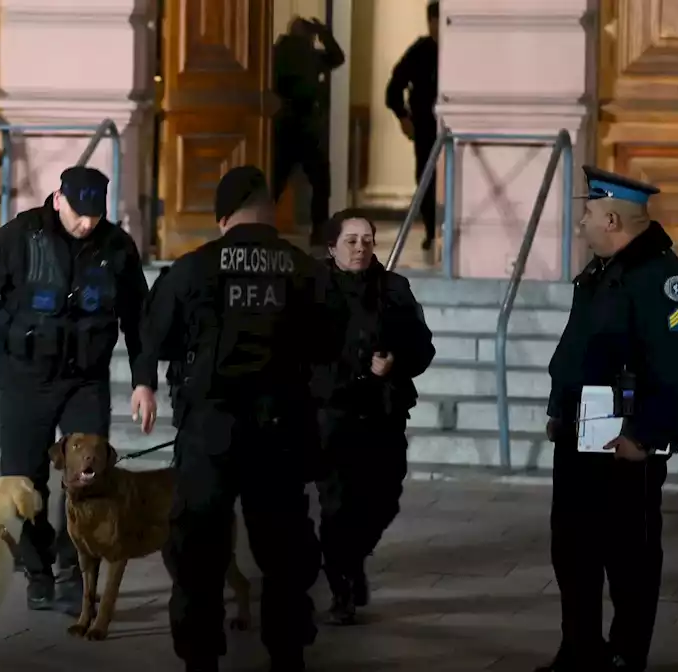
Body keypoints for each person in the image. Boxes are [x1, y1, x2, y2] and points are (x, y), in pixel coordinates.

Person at [0, 166, 150, 614]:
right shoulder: (18, 238)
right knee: (24, 482)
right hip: (26, 377)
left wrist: (144, 382)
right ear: (58, 199)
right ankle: (38, 569)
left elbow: (139, 320)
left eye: (95, 215)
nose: (87, 224)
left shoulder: (116, 246)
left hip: (86, 379)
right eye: (79, 213)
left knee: (89, 475)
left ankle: (71, 570)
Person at [129, 166, 330, 672]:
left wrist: (153, 380)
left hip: (210, 430)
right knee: (284, 553)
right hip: (280, 431)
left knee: (198, 552)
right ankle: (287, 656)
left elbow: (156, 336)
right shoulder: (304, 269)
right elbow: (332, 345)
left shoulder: (194, 268)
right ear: (270, 212)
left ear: (222, 218)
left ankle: (201, 659)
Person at [538, 167, 678, 672]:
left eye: (587, 214)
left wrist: (645, 436)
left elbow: (671, 365)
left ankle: (626, 655)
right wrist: (559, 411)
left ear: (611, 218)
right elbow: (580, 347)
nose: (580, 223)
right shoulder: (603, 268)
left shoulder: (661, 278)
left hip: (625, 444)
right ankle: (580, 651)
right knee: (573, 552)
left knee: (629, 558)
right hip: (581, 437)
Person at [307, 209, 435, 626]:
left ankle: (353, 556)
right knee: (336, 502)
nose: (361, 247)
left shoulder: (394, 289)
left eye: (367, 240)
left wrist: (394, 363)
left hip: (382, 411)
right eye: (351, 240)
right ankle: (342, 584)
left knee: (383, 497)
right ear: (332, 247)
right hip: (331, 411)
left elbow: (423, 348)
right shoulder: (311, 290)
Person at [272, 15, 346, 235]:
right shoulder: (309, 56)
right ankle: (319, 230)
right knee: (320, 182)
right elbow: (337, 57)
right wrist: (325, 34)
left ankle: (260, 227)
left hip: (283, 125)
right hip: (305, 127)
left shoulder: (276, 53)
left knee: (276, 182)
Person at [385, 1, 440, 252]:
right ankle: (430, 230)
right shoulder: (420, 51)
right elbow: (394, 87)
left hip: (451, 126)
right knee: (426, 178)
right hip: (426, 125)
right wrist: (404, 118)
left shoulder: (459, 51)